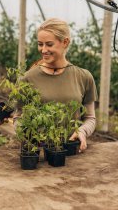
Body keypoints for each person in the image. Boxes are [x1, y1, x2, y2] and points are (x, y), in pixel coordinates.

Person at [22, 18, 98, 152]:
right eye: (40, 44)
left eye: (49, 44)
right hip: (38, 155)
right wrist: (28, 136)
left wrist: (82, 131)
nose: (43, 50)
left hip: (73, 152)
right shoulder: (28, 78)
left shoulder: (84, 77)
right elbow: (18, 116)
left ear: (65, 42)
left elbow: (90, 118)